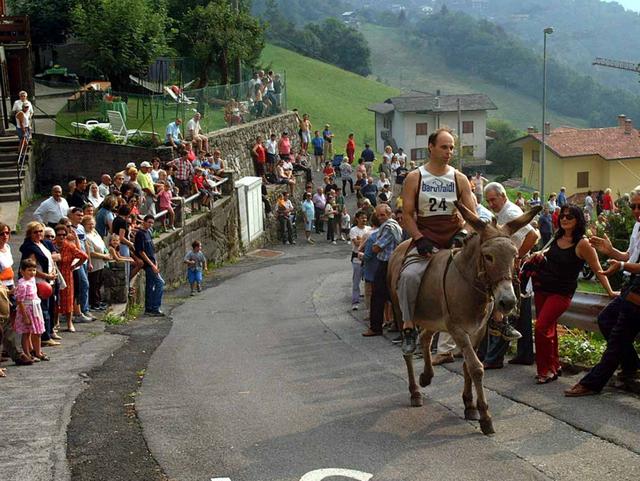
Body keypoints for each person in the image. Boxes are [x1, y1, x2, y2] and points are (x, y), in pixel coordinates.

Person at [396, 128, 478, 353]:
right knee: (409, 276)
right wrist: (419, 238)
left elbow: (473, 214)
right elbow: (407, 215)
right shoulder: (415, 177)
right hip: (426, 235)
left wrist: (463, 233)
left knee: (489, 267)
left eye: (451, 147)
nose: (449, 152)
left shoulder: (459, 178)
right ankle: (408, 326)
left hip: (454, 235)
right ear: (430, 147)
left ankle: (501, 320)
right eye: (444, 147)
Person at [565, 187, 640, 396]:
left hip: (637, 291)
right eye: (632, 206)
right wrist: (611, 251)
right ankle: (631, 365)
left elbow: (630, 264)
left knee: (617, 338)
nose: (635, 210)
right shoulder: (637, 226)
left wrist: (622, 267)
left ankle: (592, 383)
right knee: (606, 320)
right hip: (631, 287)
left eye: (639, 206)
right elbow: (630, 257)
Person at [531, 204, 615, 384]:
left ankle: (546, 370)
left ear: (578, 220)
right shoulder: (557, 236)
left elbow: (598, 269)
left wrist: (609, 291)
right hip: (542, 288)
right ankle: (554, 366)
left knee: (541, 327)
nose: (564, 219)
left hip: (561, 293)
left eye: (569, 217)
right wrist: (539, 253)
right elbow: (551, 253)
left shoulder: (583, 243)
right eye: (562, 216)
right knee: (549, 329)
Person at [482, 182, 540, 369]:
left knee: (503, 310)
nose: (491, 204)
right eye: (488, 201)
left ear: (503, 195)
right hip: (512, 268)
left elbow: (533, 236)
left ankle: (494, 358)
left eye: (493, 199)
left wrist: (518, 257)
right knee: (519, 311)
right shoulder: (503, 213)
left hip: (513, 269)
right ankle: (524, 354)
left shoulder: (510, 213)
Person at [363, 203, 402, 337]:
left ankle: (375, 327)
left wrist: (373, 244)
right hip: (392, 263)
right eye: (378, 215)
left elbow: (377, 248)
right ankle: (397, 324)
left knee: (378, 295)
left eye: (382, 215)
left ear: (389, 214)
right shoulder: (394, 225)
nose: (380, 217)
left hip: (386, 263)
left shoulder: (388, 227)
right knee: (391, 296)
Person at [53, 224, 88, 332]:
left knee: (68, 299)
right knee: (55, 299)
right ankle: (56, 322)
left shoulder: (70, 246)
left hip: (67, 274)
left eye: (64, 235)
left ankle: (69, 323)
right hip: (54, 274)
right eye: (59, 235)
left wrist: (74, 266)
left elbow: (83, 256)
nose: (62, 237)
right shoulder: (51, 245)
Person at [14, 259, 47, 362]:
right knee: (26, 332)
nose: (32, 272)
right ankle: (28, 354)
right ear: (22, 271)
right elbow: (20, 301)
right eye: (29, 270)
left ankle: (37, 352)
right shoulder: (22, 284)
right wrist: (25, 316)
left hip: (35, 308)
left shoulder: (32, 280)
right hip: (27, 310)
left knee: (38, 332)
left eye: (34, 270)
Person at [135, 215, 165, 316]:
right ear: (143, 222)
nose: (150, 224)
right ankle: (155, 307)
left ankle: (149, 308)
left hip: (152, 262)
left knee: (150, 285)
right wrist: (152, 264)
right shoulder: (140, 234)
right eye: (149, 222)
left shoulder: (149, 232)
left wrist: (155, 263)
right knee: (160, 283)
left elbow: (152, 250)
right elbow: (141, 251)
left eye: (152, 223)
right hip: (148, 264)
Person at [83, 216, 110, 311]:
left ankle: (98, 301)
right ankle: (94, 303)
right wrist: (104, 256)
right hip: (94, 263)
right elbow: (91, 252)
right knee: (94, 284)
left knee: (99, 282)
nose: (91, 226)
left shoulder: (95, 232)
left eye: (92, 223)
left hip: (101, 262)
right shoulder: (86, 236)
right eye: (88, 224)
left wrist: (106, 253)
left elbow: (102, 245)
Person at [349, 211, 370, 310]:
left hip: (367, 257)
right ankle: (355, 301)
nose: (364, 220)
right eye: (362, 218)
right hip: (357, 258)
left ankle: (368, 302)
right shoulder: (353, 230)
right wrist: (365, 240)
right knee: (356, 280)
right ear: (357, 219)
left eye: (365, 218)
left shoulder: (369, 229)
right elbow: (356, 243)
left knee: (368, 280)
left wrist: (361, 239)